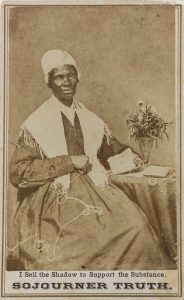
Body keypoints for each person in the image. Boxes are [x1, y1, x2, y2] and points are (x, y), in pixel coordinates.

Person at [8, 49, 176, 271]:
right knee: (75, 247)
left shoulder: (91, 119)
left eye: (70, 75)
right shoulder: (36, 123)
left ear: (78, 77)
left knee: (135, 226)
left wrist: (130, 157)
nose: (66, 81)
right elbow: (19, 172)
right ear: (48, 82)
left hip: (98, 189)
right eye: (58, 77)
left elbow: (111, 151)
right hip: (55, 197)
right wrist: (68, 162)